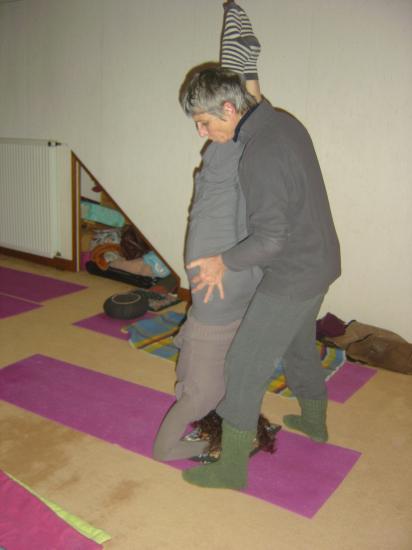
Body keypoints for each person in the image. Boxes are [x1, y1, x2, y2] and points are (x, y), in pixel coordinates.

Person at [180, 62, 341, 488]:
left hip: (293, 273)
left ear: (229, 109)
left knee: (245, 362)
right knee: (298, 342)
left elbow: (270, 240)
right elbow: (255, 94)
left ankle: (232, 469)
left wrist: (222, 262)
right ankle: (314, 422)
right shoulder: (281, 123)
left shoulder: (259, 155)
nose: (202, 132)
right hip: (321, 260)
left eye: (204, 122)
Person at [152, 1, 263, 461]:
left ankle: (247, 64)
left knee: (250, 122)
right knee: (255, 124)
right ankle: (247, 66)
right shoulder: (227, 140)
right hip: (224, 292)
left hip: (215, 275)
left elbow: (236, 109)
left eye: (204, 122)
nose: (201, 130)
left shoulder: (224, 146)